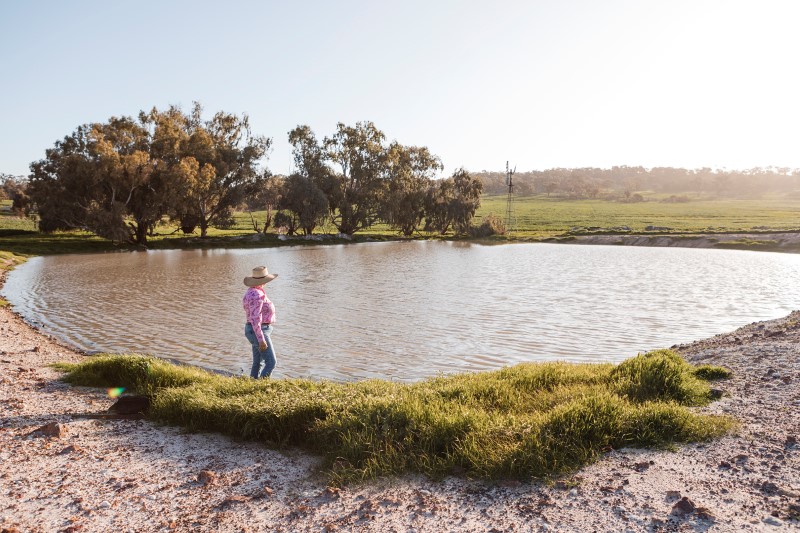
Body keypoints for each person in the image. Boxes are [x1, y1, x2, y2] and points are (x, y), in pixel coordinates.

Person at [243, 265, 278, 378]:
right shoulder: (256, 295)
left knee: (258, 363)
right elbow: (255, 318)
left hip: (257, 330)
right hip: (259, 331)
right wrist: (261, 339)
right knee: (271, 362)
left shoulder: (255, 291)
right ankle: (262, 388)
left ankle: (252, 384)